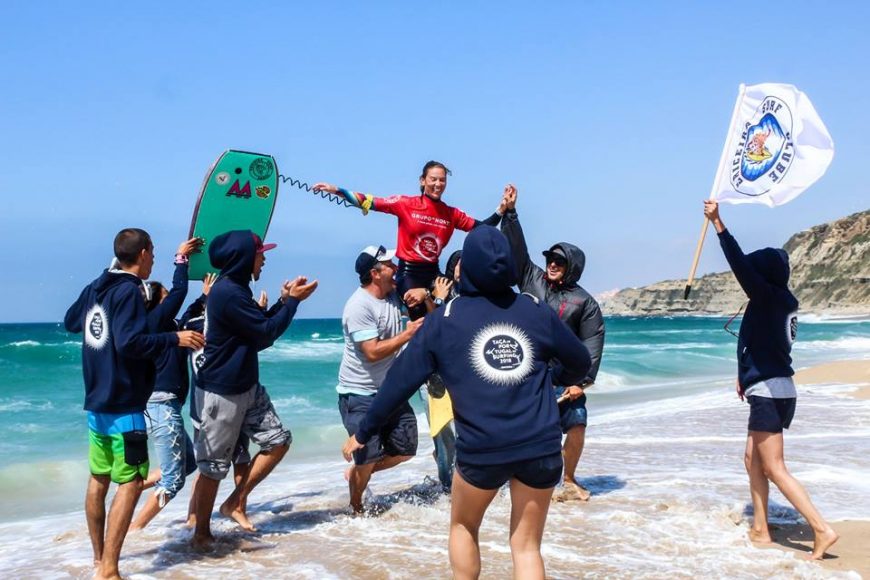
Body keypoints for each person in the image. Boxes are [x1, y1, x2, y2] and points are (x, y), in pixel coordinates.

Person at [343, 226, 591, 579]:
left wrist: (363, 432)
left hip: (484, 449)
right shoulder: (534, 308)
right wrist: (545, 377)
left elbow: (399, 383)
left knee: (463, 526)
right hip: (541, 444)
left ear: (469, 266)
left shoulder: (445, 319)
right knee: (526, 546)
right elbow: (580, 363)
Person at [64, 228, 205, 580]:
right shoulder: (127, 291)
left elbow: (71, 321)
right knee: (130, 482)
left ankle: (99, 561)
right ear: (142, 253)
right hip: (125, 403)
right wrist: (174, 338)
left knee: (99, 478)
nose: (153, 258)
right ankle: (109, 569)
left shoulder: (98, 289)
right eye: (152, 252)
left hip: (96, 401)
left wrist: (178, 262)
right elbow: (129, 343)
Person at [704, 200, 839, 560]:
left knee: (775, 467)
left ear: (762, 276)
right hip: (774, 387)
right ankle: (761, 528)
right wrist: (742, 374)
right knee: (753, 460)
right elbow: (763, 343)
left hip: (768, 390)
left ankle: (822, 529)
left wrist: (718, 223)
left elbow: (738, 264)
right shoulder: (780, 300)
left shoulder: (765, 296)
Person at [191, 230, 317, 548]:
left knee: (278, 441)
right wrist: (292, 304)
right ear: (244, 258)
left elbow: (258, 324)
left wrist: (284, 301)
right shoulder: (228, 293)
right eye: (260, 253)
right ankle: (201, 534)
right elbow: (264, 334)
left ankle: (235, 501)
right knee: (212, 468)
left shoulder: (237, 290)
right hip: (221, 393)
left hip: (246, 385)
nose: (264, 258)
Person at [500, 187, 605, 502]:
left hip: (564, 380)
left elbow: (592, 341)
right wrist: (511, 215)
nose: (552, 263)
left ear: (571, 265)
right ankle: (515, 482)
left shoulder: (585, 302)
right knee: (524, 435)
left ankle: (568, 479)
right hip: (528, 375)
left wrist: (583, 381)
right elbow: (517, 250)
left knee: (577, 427)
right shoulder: (531, 279)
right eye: (550, 258)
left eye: (559, 260)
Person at [313, 162, 508, 319]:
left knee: (458, 306)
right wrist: (336, 190)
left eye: (442, 180)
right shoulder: (406, 204)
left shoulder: (451, 214)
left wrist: (501, 209)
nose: (438, 184)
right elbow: (371, 201)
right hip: (409, 274)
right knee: (420, 312)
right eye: (433, 179)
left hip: (433, 271)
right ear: (423, 180)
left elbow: (482, 229)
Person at [337, 245, 423, 513]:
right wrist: (406, 336)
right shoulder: (358, 306)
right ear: (375, 273)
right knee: (367, 455)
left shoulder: (394, 295)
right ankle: (356, 509)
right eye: (389, 265)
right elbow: (372, 352)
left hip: (389, 391)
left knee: (407, 448)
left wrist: (425, 293)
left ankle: (357, 472)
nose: (395, 268)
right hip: (359, 394)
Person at [130, 240, 208, 531]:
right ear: (156, 305)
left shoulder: (168, 327)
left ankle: (133, 489)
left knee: (187, 465)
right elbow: (179, 292)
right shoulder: (154, 323)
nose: (171, 303)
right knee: (174, 479)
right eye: (165, 299)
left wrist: (205, 298)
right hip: (161, 405)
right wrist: (181, 259)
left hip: (165, 405)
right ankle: (134, 529)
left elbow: (187, 311)